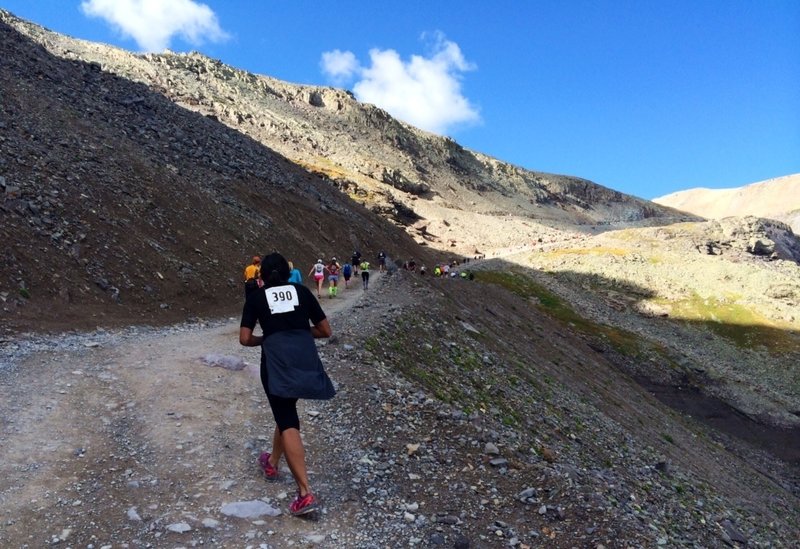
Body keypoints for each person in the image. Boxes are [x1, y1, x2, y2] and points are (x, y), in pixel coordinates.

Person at [239, 252, 334, 517]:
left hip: (276, 364)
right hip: (304, 360)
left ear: (262, 275)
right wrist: (300, 333)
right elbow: (326, 331)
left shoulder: (256, 298)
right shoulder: (301, 292)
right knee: (286, 411)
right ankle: (271, 463)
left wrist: (268, 338)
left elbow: (245, 339)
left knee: (287, 418)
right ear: (287, 272)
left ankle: (305, 494)